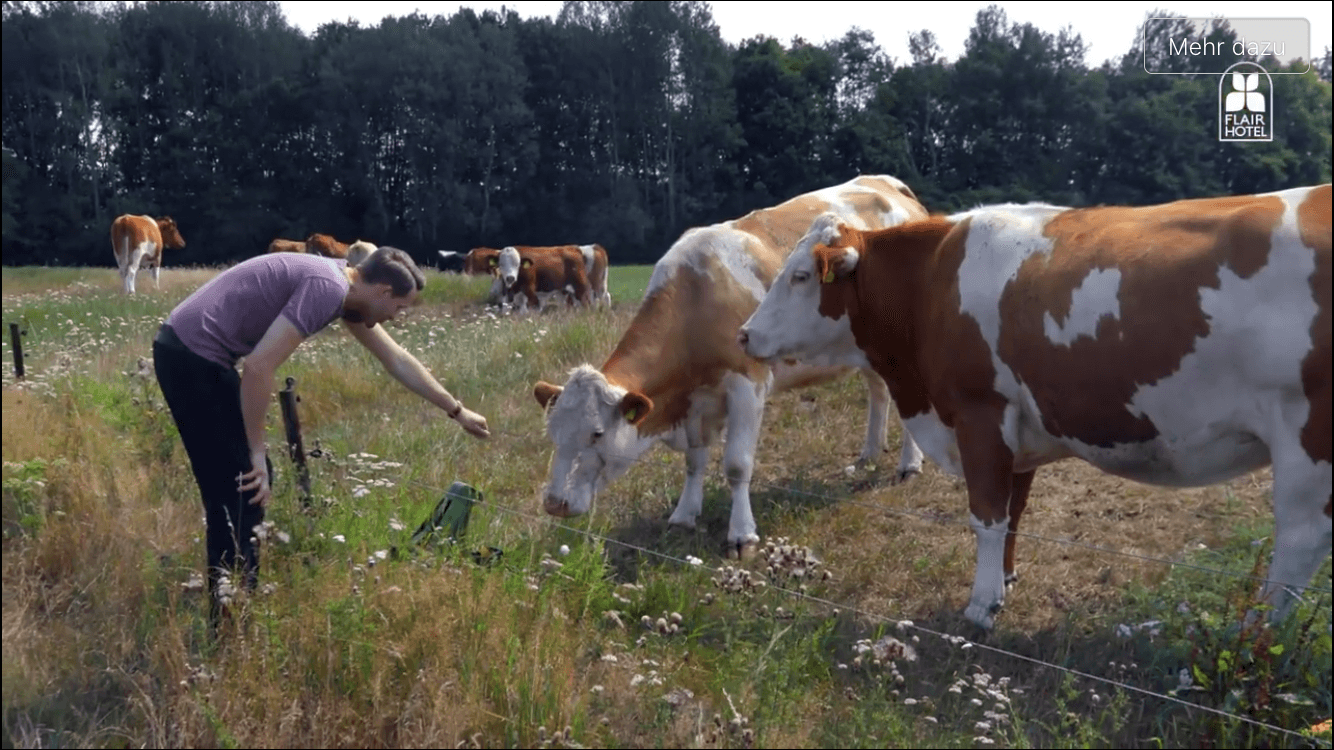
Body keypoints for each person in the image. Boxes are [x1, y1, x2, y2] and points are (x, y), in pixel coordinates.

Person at [152, 246, 489, 632]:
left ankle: (234, 602)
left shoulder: (344, 287)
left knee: (241, 486)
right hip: (191, 357)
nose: (396, 318)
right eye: (398, 308)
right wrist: (257, 452)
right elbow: (260, 367)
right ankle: (229, 620)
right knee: (243, 486)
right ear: (381, 291)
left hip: (192, 351)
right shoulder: (327, 288)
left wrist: (457, 411)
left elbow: (395, 359)